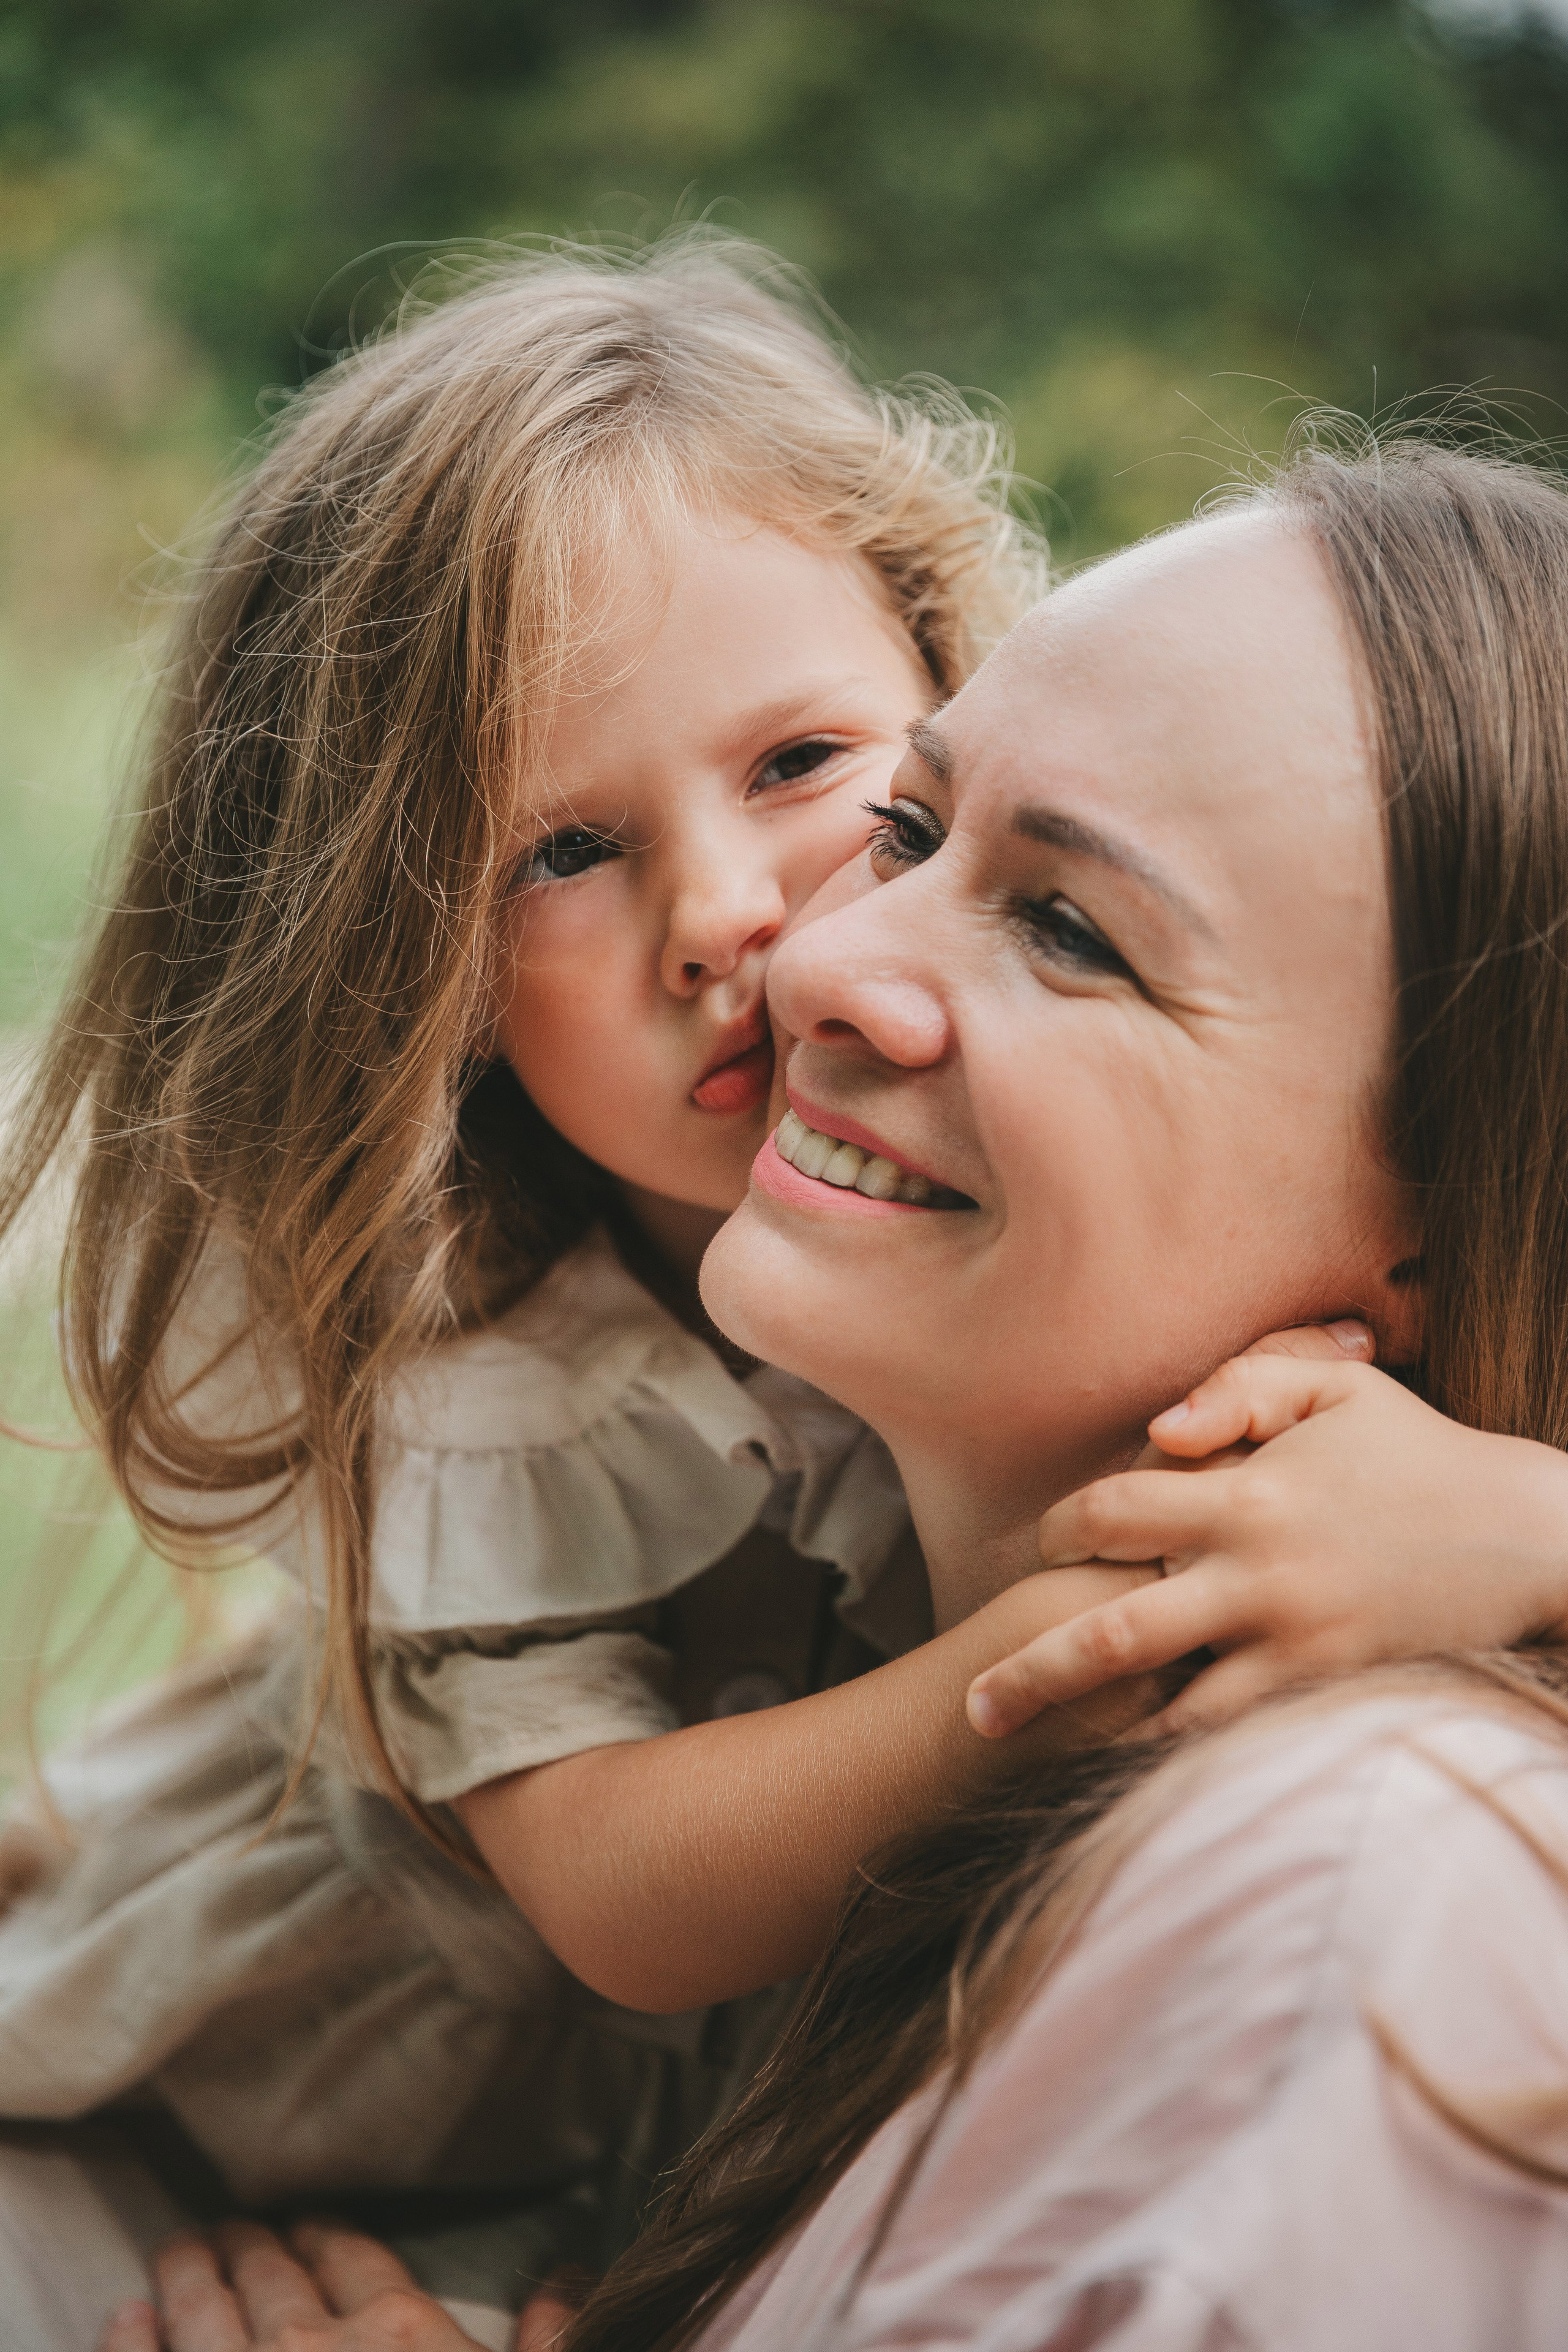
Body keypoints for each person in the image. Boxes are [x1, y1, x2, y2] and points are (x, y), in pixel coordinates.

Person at [107, 434, 1568, 2350]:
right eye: (912, 828)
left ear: (1456, 1223)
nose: (807, 953)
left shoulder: (1358, 1903)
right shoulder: (530, 1377)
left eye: (1070, 928)